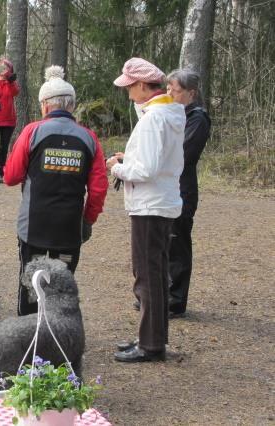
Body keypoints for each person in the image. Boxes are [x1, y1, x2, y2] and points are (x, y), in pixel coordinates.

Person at [4, 65, 108, 316]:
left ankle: (29, 335)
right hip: (69, 227)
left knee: (32, 281)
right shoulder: (88, 137)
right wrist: (88, 219)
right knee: (62, 285)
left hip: (34, 225)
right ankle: (60, 336)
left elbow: (10, 176)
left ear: (45, 105)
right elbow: (98, 187)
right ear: (70, 105)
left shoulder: (32, 132)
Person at [107, 58, 185, 363]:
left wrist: (119, 167)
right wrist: (130, 156)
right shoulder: (166, 113)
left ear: (142, 85)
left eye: (129, 86)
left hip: (150, 204)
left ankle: (151, 344)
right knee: (154, 272)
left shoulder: (154, 118)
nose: (127, 92)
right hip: (159, 202)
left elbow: (148, 169)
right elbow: (159, 158)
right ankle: (151, 337)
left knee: (147, 274)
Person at [165, 69, 211, 317]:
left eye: (176, 90)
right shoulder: (174, 115)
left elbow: (183, 154)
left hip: (183, 189)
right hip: (168, 186)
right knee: (164, 241)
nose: (170, 93)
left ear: (191, 93)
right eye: (169, 88)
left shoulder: (197, 119)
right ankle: (161, 294)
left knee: (177, 241)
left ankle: (176, 299)